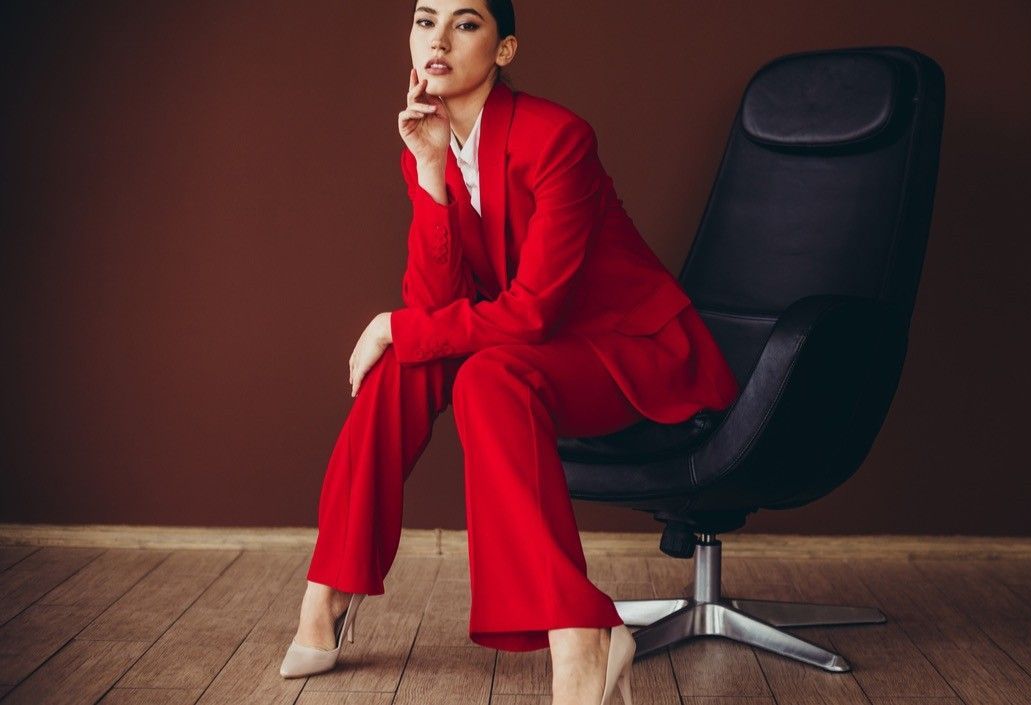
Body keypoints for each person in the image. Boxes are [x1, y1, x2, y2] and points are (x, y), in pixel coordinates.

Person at [280, 1, 740, 703]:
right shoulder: (426, 140)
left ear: (504, 51)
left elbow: (535, 311)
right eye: (424, 19)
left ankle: (578, 627)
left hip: (628, 351)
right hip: (535, 349)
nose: (437, 40)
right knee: (406, 362)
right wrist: (431, 173)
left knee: (478, 371)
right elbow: (435, 309)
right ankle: (331, 587)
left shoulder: (558, 138)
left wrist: (395, 324)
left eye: (464, 24)